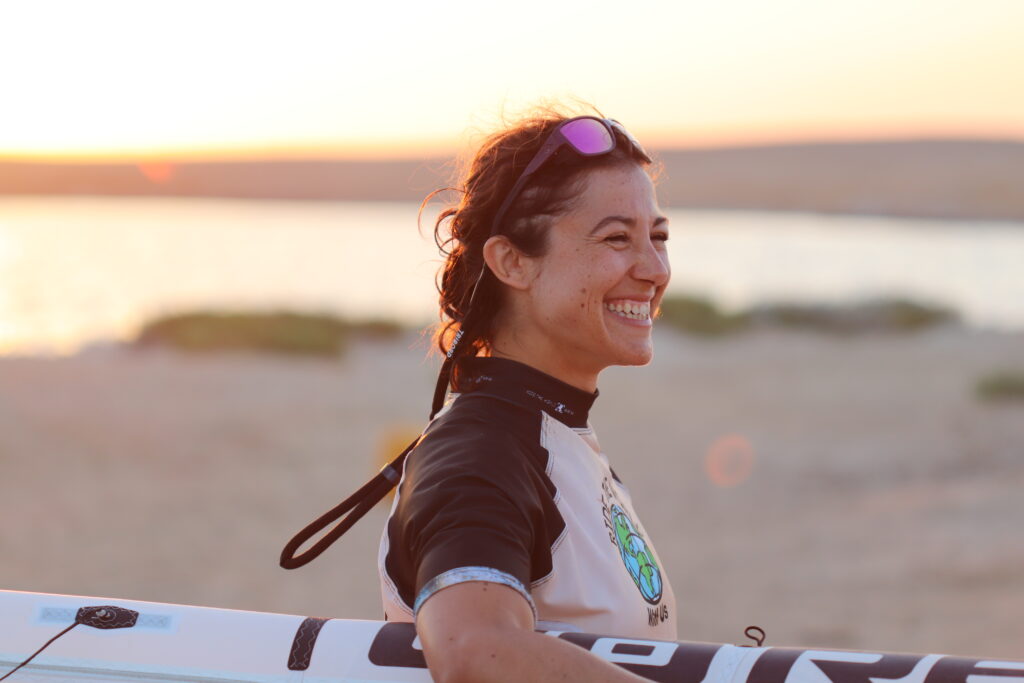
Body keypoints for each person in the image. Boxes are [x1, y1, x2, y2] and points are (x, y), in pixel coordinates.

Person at [377, 107, 675, 683]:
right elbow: (474, 648)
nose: (654, 268)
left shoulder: (552, 437)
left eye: (658, 237)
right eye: (618, 238)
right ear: (512, 261)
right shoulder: (482, 454)